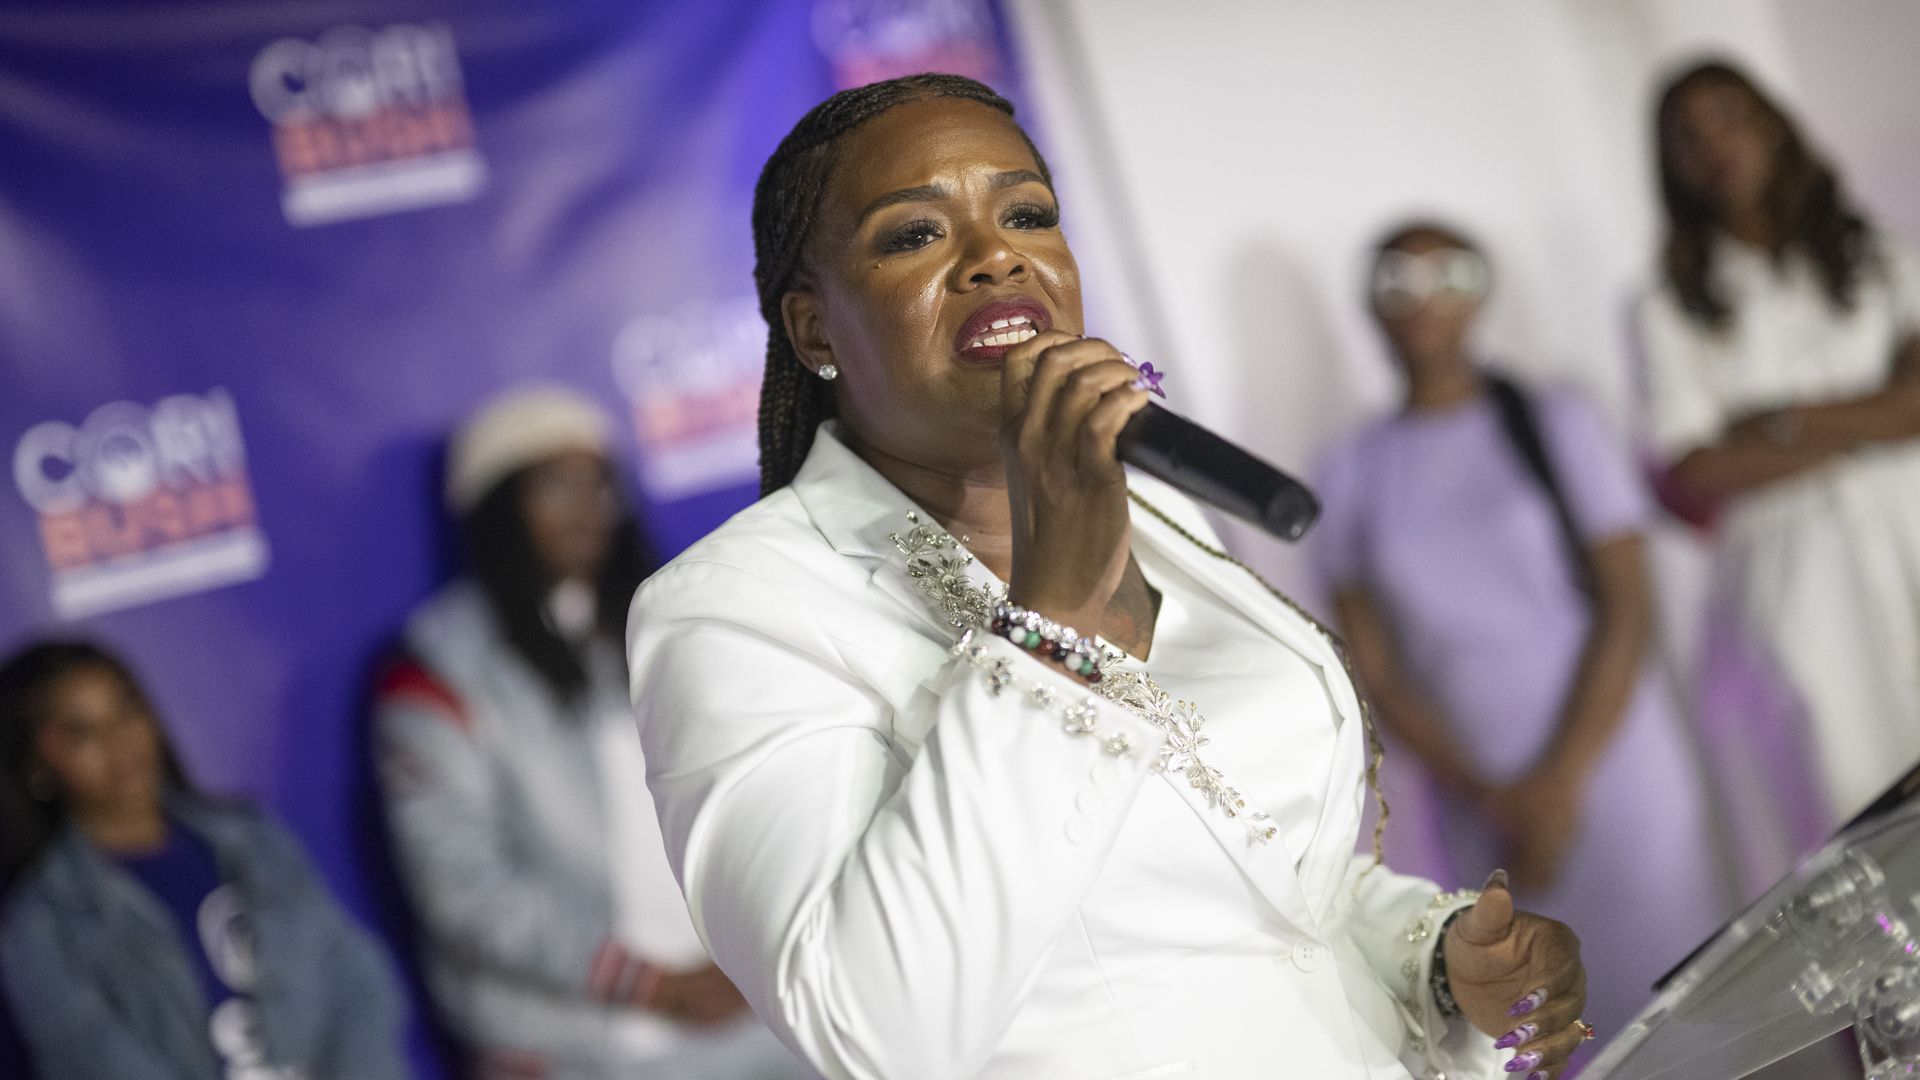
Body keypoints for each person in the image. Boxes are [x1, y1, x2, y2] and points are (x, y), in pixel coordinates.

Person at [626, 74, 1593, 1080]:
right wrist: (1055, 627)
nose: (997, 255)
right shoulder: (733, 611)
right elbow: (876, 1027)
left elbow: (1263, 875)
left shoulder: (1154, 511)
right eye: (915, 234)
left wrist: (1440, 957)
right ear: (814, 330)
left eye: (1028, 216)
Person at [1310, 221, 1723, 1045]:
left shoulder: (1556, 418)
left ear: (1482, 294)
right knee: (1548, 1028)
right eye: (1397, 280)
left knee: (1689, 1010)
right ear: (1369, 304)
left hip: (1613, 770)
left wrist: (1557, 786)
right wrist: (1496, 799)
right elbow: (1376, 669)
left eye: (1448, 275)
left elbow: (1628, 605)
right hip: (1480, 798)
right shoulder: (1351, 469)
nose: (1423, 299)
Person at [374, 387, 810, 1080]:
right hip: (575, 1040)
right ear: (497, 506)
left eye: (598, 483)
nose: (586, 508)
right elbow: (462, 889)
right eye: (555, 486)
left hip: (743, 1007)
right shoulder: (439, 668)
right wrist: (651, 984)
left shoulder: (659, 619)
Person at [1637, 60, 1920, 842]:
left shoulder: (1879, 258)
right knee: (1856, 811)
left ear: (1771, 124)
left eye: (1730, 116)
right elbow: (1693, 472)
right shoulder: (1666, 307)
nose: (1714, 146)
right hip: (1792, 586)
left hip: (1908, 535)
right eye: (1688, 137)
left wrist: (1777, 421)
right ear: (1671, 166)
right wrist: (1874, 415)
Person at [0, 640, 408, 1080]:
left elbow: (355, 982)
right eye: (82, 732)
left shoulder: (252, 838)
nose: (120, 742)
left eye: (126, 709)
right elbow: (96, 1061)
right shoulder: (38, 925)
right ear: (35, 767)